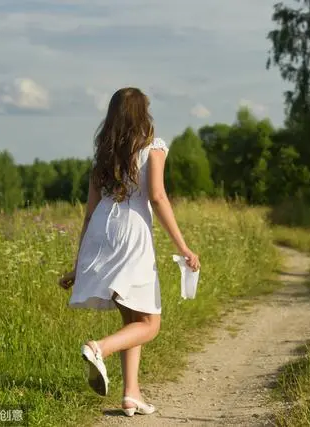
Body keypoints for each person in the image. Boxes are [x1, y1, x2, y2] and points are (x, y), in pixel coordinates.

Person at [57, 87, 200, 417]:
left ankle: (131, 394)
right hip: (131, 231)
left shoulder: (102, 158)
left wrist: (79, 266)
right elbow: (158, 197)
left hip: (101, 231)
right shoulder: (153, 149)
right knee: (150, 323)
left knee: (131, 315)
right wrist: (183, 247)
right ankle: (98, 348)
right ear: (143, 114)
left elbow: (90, 213)